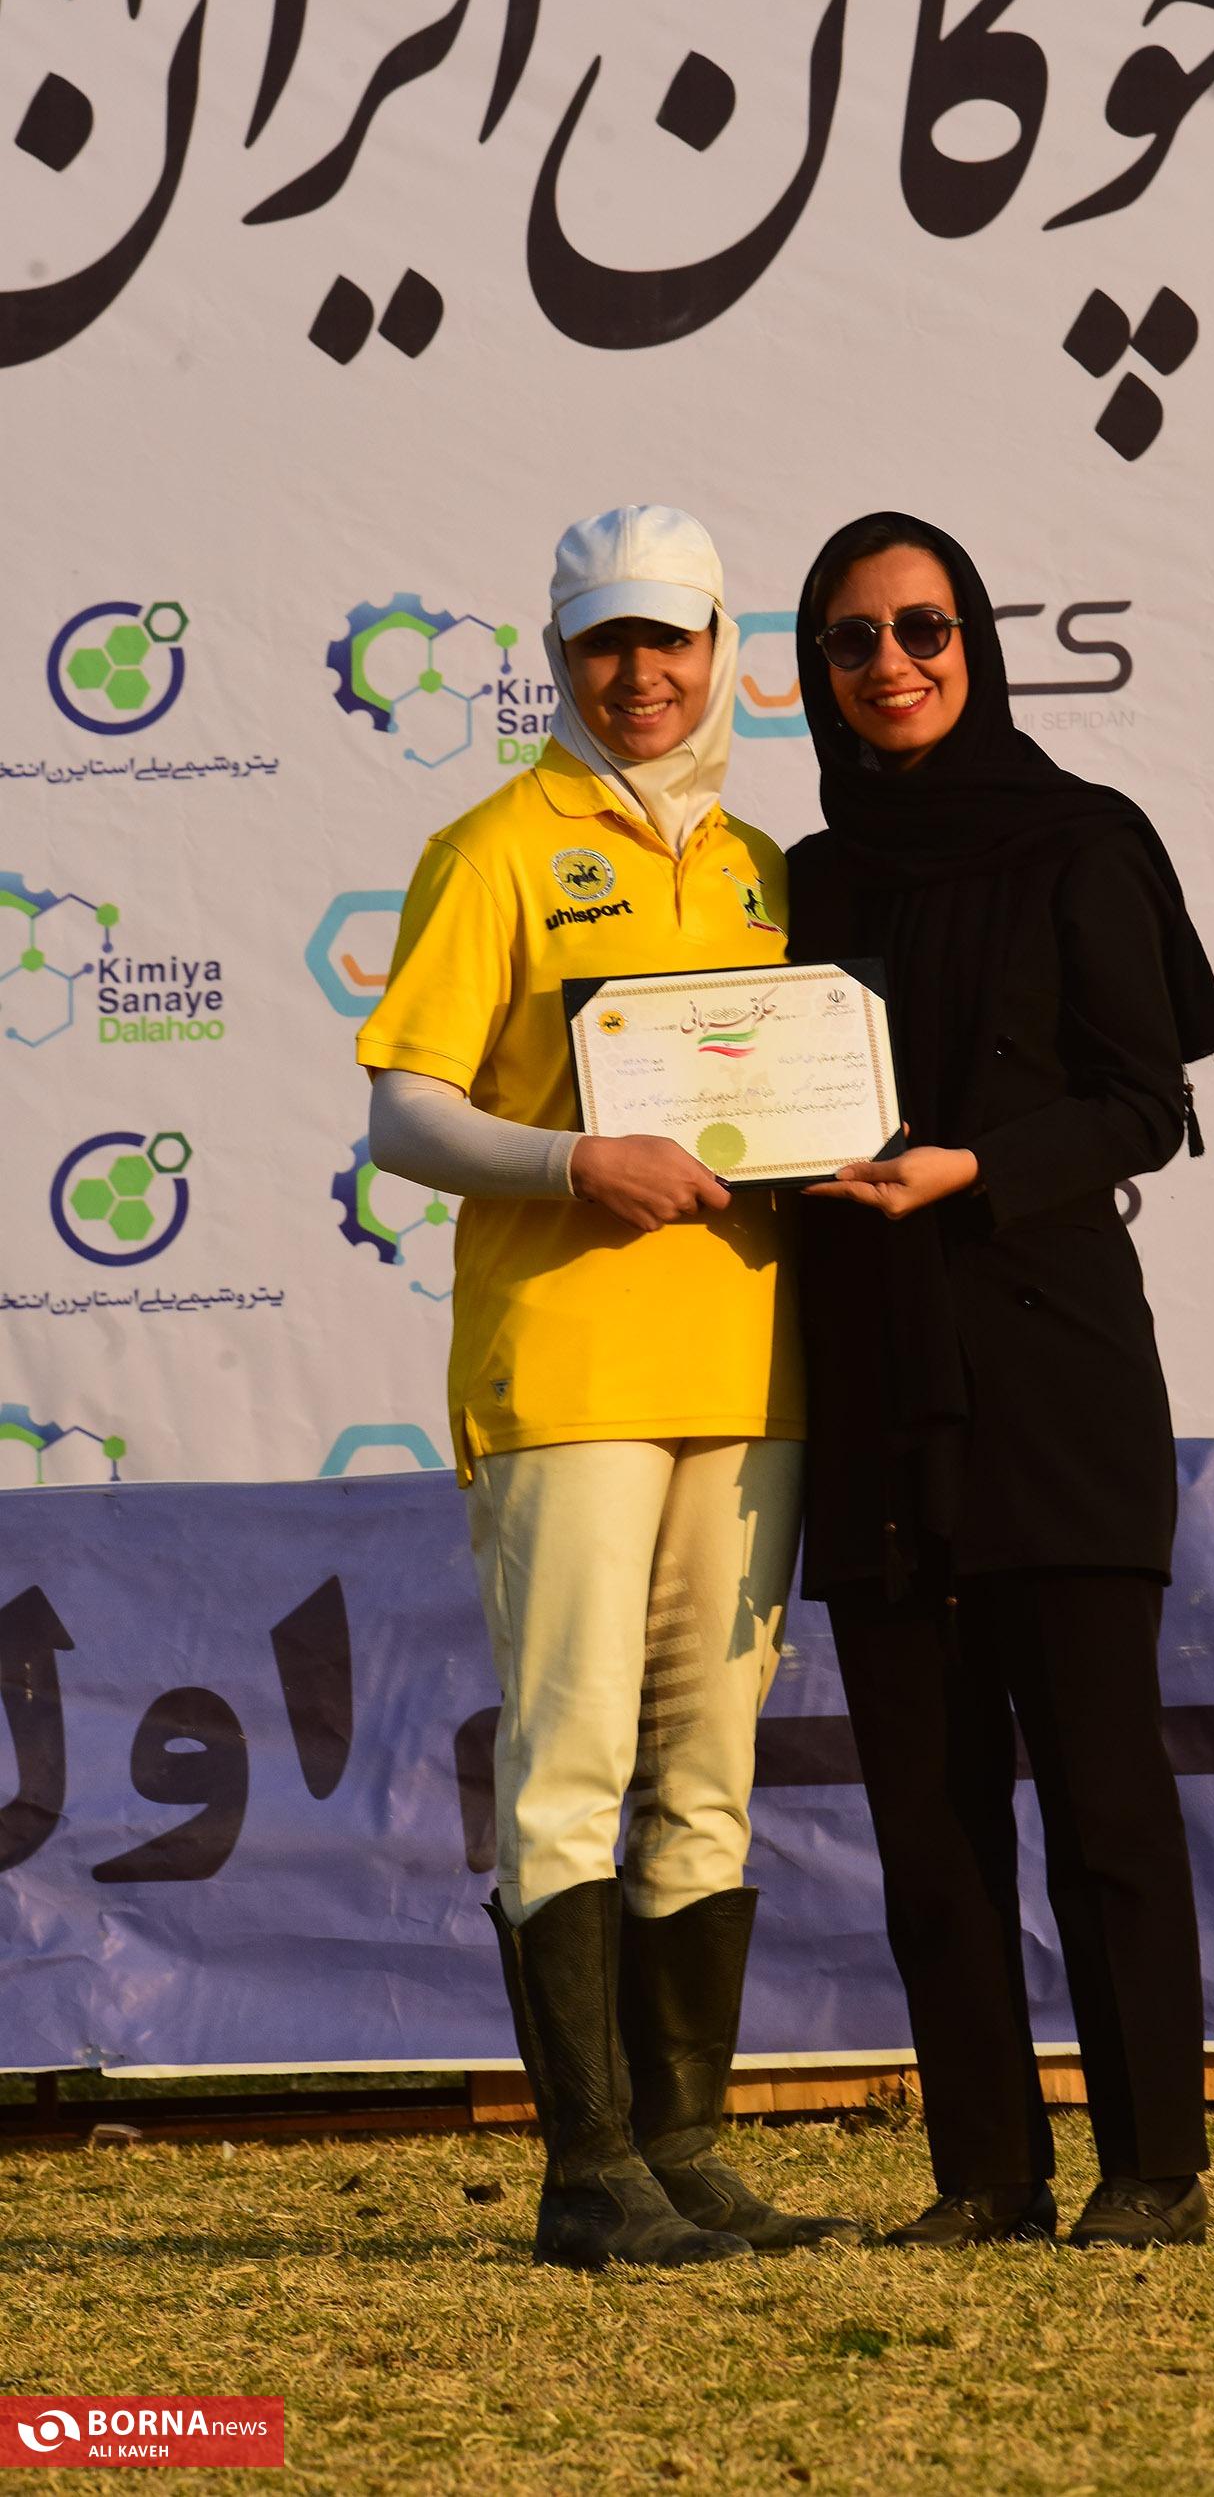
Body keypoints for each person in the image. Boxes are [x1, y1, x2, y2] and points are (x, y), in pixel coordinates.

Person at [356, 504, 855, 2274]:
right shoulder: (495, 844)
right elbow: (402, 1112)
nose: (640, 674)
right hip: (566, 1370)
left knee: (711, 1766)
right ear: (560, 654)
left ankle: (684, 2148)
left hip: (751, 1370)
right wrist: (578, 1160)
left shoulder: (767, 866)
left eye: (670, 638)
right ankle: (585, 2171)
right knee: (571, 1760)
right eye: (604, 643)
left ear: (722, 648)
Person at [784, 511, 1214, 2251]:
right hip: (877, 1373)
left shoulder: (1081, 837)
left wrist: (975, 1165)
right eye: (852, 640)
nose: (891, 664)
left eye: (923, 627)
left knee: (1106, 1798)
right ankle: (984, 2172)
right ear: (815, 672)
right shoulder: (810, 880)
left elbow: (1145, 1102)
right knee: (928, 1814)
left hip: (1052, 1366)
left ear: (974, 639)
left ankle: (1153, 2165)